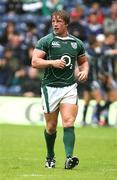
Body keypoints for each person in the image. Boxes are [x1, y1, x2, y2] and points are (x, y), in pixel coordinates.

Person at [31, 10, 89, 169]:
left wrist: (84, 71)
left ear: (66, 23)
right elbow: (35, 62)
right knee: (51, 127)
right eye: (53, 21)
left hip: (69, 87)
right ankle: (50, 156)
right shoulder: (46, 41)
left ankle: (69, 158)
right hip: (50, 88)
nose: (55, 24)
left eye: (59, 21)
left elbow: (83, 62)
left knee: (69, 122)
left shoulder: (76, 43)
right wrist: (52, 63)